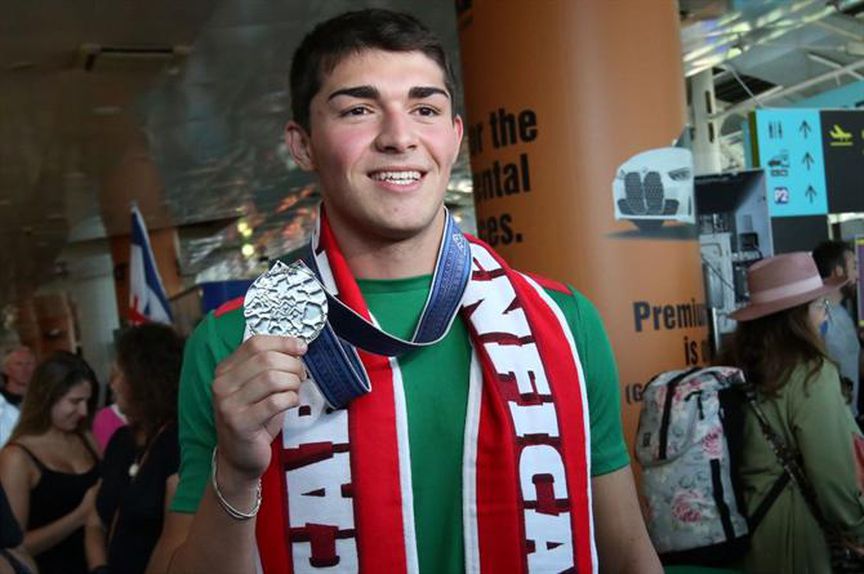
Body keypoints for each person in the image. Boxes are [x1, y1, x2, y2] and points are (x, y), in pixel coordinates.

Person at [149, 9, 660, 574]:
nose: (398, 137)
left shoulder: (563, 324)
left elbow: (629, 554)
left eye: (425, 109)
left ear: (455, 136)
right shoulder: (233, 341)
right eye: (358, 110)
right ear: (303, 144)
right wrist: (236, 474)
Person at [726, 252, 864, 572]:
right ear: (796, 317)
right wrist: (857, 529)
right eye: (819, 305)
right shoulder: (810, 373)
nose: (825, 314)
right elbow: (832, 472)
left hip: (750, 532)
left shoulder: (738, 363)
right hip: (795, 536)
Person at [85, 323, 184, 574]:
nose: (112, 383)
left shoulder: (177, 443)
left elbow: (174, 541)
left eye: (119, 374)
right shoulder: (121, 441)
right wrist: (100, 568)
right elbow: (95, 520)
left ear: (144, 379)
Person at [0, 351, 100, 574]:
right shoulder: (17, 457)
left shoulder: (85, 438)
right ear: (47, 397)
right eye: (75, 401)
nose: (83, 411)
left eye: (87, 401)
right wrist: (79, 517)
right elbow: (14, 548)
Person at [813, 240, 862, 416]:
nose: (858, 275)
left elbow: (852, 362)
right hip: (830, 419)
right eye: (854, 267)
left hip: (850, 417)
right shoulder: (817, 317)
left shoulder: (842, 313)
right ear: (838, 271)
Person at [0, 347, 36, 447]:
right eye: (18, 364)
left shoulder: (44, 397)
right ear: (5, 369)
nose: (25, 369)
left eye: (29, 364)